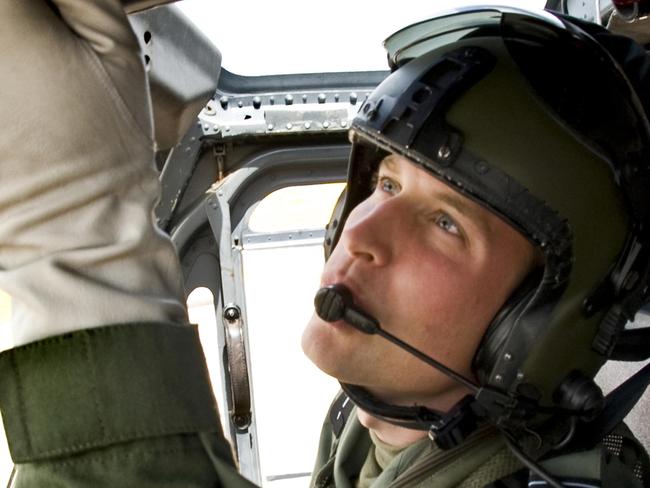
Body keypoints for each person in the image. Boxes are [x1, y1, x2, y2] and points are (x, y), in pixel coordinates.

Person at [0, 2, 648, 487]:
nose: (360, 233)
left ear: (538, 324)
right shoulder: (364, 434)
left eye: (446, 222)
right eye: (386, 184)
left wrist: (78, 248)